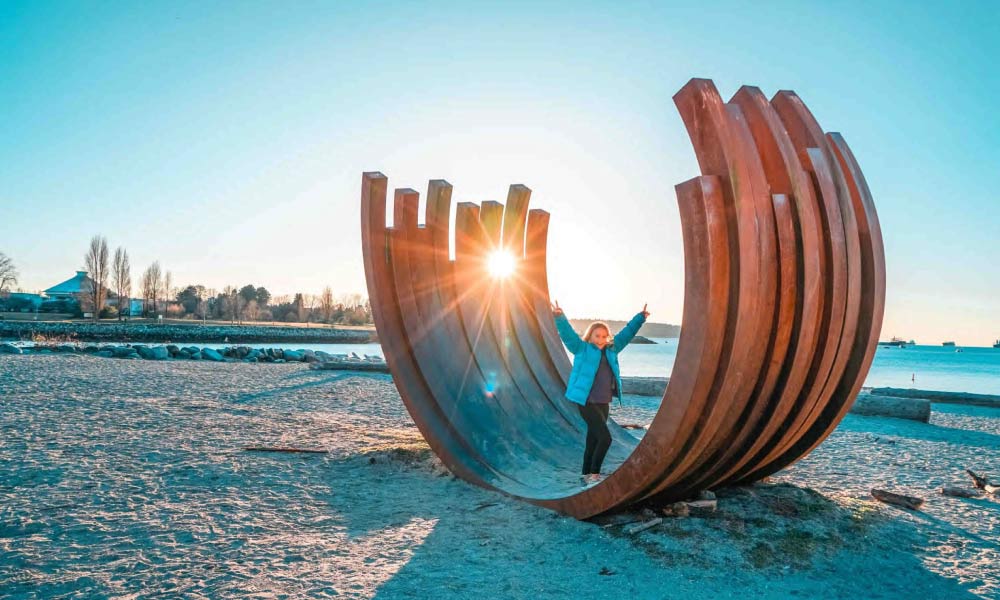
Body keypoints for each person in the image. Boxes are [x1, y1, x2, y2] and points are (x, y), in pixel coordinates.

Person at [551, 300, 649, 486]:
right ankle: (594, 475)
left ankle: (585, 473)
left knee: (594, 438)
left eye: (604, 336)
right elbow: (568, 335)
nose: (601, 339)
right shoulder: (581, 349)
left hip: (603, 402)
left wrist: (640, 318)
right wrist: (559, 316)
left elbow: (627, 334)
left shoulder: (612, 350)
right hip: (586, 401)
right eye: (597, 336)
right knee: (606, 438)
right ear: (590, 336)